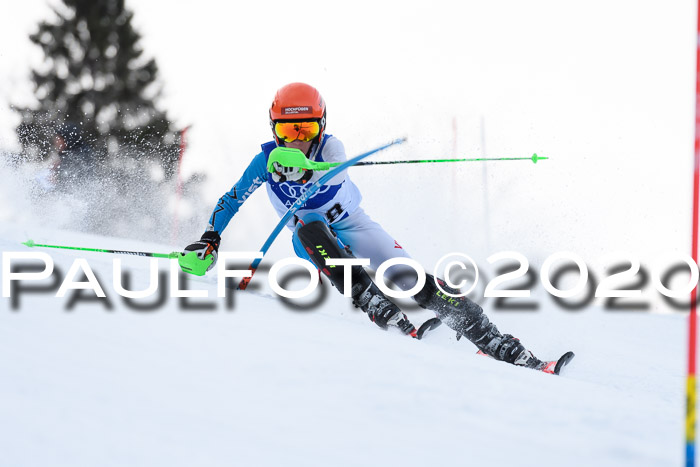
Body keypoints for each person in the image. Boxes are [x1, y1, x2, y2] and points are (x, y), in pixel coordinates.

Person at [183, 82, 557, 372]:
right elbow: (232, 199)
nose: (298, 138)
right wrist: (210, 239)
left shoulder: (330, 148)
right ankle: (373, 302)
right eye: (289, 130)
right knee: (310, 227)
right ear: (274, 129)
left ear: (321, 125)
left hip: (353, 223)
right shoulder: (264, 162)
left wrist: (305, 170)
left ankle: (493, 339)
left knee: (409, 278)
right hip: (310, 237)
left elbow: (333, 177)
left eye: (306, 129)